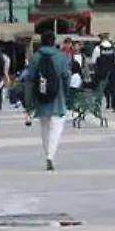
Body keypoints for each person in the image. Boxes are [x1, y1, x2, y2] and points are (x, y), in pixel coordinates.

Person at [22, 31, 72, 170]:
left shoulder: (36, 57)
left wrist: (29, 101)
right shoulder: (61, 57)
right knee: (56, 127)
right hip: (58, 97)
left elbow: (30, 78)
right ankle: (51, 155)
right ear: (54, 42)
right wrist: (67, 93)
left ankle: (47, 154)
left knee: (44, 127)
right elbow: (66, 77)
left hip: (41, 96)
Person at [93, 36, 115, 111]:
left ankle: (97, 105)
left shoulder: (98, 48)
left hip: (101, 71)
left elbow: (94, 61)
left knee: (100, 89)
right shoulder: (114, 47)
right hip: (112, 71)